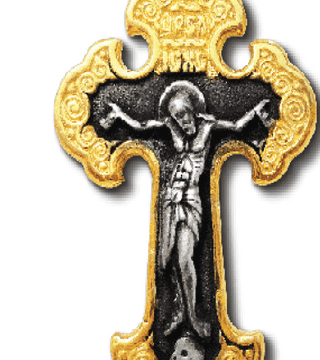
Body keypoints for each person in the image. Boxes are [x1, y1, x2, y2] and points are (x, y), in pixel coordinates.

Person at [97, 81, 271, 339]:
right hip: (170, 199)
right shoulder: (171, 126)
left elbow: (237, 126)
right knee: (165, 263)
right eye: (176, 117)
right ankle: (179, 311)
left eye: (184, 114)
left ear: (192, 110)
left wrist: (256, 112)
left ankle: (195, 316)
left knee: (185, 258)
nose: (181, 121)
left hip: (190, 200)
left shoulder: (208, 126)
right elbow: (142, 127)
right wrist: (120, 115)